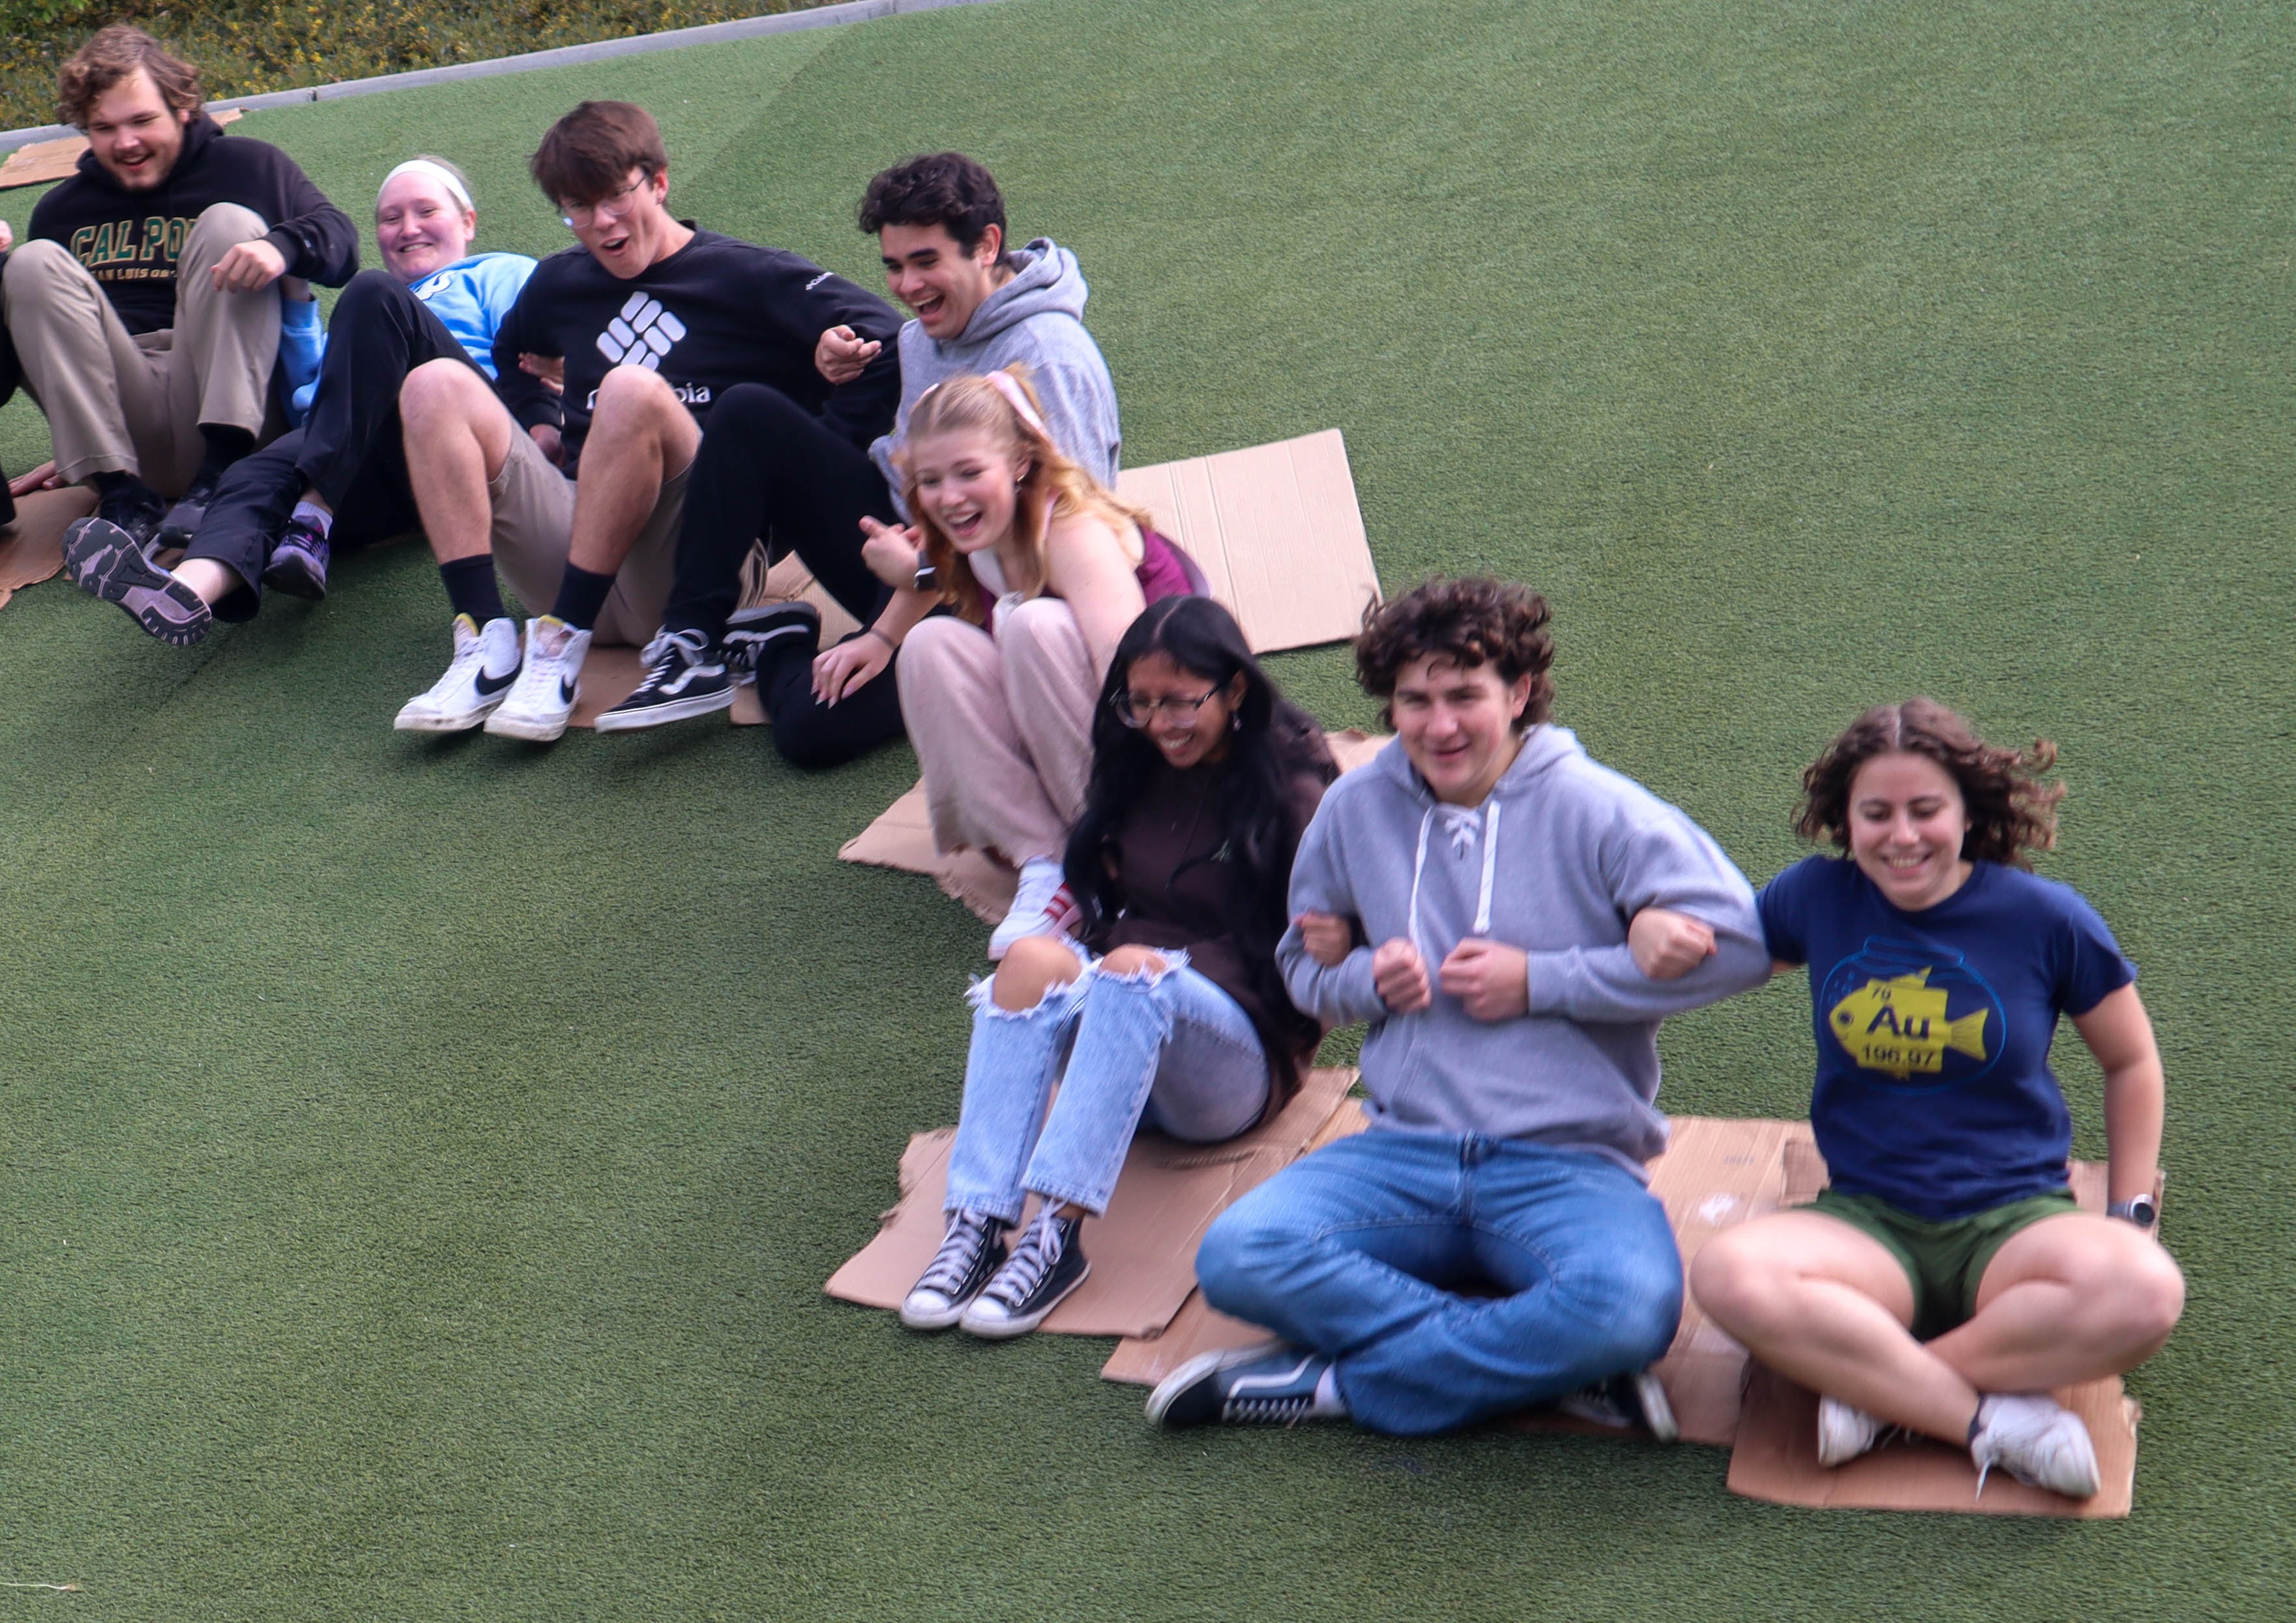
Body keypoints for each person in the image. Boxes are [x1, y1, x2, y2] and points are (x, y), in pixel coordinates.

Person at [1145, 577, 1771, 1436]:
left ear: (1518, 693)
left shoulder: (1599, 808)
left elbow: (1745, 947)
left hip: (1569, 1163)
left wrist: (1543, 979)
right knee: (1238, 1255)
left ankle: (1338, 1386)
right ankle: (1541, 1365)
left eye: (1464, 696)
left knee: (1629, 1310)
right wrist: (1366, 982)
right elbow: (1299, 967)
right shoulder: (1353, 809)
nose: (1439, 726)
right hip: (1400, 1152)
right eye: (1415, 700)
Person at [1688, 699, 2184, 1499]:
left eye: (1926, 810)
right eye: (1876, 814)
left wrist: (2130, 1213)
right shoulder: (1818, 897)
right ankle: (1984, 1422)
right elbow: (1712, 957)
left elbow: (2131, 1062)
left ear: (1967, 812)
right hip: (1867, 1228)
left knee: (2148, 1292)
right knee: (1728, 1275)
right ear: (1845, 819)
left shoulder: (2045, 918)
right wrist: (1646, 935)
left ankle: (1879, 1391)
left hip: (2016, 1227)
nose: (1903, 836)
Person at [390, 98, 901, 740]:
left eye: (614, 197)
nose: (600, 222)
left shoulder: (748, 274)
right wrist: (538, 420)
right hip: (571, 547)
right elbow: (512, 355)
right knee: (432, 384)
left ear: (658, 183)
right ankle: (483, 644)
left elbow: (889, 340)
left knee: (629, 389)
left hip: (694, 564)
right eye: (578, 207)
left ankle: (561, 643)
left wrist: (804, 463)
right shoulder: (558, 283)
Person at [900, 595, 1335, 1337]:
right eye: (1141, 702)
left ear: (1234, 689)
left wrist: (1153, 968)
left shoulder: (1294, 789)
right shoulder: (1134, 765)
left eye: (1181, 701)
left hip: (1234, 1067)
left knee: (1134, 968)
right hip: (1123, 1041)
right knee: (1029, 959)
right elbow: (1105, 905)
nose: (1160, 722)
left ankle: (1055, 1239)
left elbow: (1310, 968)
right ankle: (976, 1226)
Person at [595, 151, 1121, 764]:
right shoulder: (921, 335)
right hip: (908, 553)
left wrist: (920, 571)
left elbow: (1070, 544)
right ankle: (691, 640)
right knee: (747, 413)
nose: (907, 287)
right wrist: (824, 370)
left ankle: (776, 640)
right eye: (895, 266)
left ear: (986, 246)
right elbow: (889, 456)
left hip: (990, 592)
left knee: (811, 730)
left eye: (926, 262)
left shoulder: (1049, 358)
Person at [63, 155, 541, 644]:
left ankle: (315, 512)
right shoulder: (363, 321)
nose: (408, 228)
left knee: (373, 292)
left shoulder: (498, 273)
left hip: (458, 440)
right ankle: (185, 592)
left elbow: (543, 356)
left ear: (467, 222)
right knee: (255, 472)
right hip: (369, 476)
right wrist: (296, 294)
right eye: (391, 218)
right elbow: (315, 406)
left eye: (426, 211)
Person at [1, 25, 356, 553]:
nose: (126, 143)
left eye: (142, 120)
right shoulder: (60, 211)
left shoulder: (249, 167)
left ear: (183, 108)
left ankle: (220, 476)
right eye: (104, 128)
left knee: (230, 224)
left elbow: (342, 244)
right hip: (126, 430)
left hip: (240, 420)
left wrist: (281, 247)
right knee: (31, 263)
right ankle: (123, 498)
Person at [884, 369, 1195, 959]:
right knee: (929, 647)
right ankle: (1049, 864)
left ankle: (1120, 855)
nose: (949, 497)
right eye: (931, 480)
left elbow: (1136, 677)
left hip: (1172, 757)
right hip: (1087, 763)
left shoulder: (1072, 531)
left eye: (969, 473)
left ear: (1021, 464)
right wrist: (881, 635)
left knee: (1033, 625)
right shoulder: (982, 543)